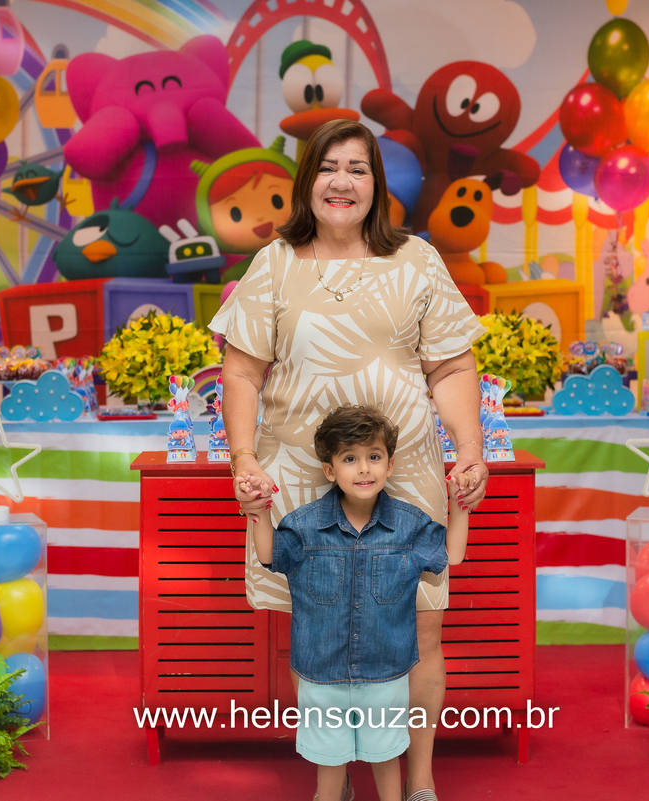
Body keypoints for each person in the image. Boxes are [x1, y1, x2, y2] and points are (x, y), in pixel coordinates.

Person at [209, 118, 489, 800]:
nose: (342, 182)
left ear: (376, 184)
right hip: (304, 477)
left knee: (420, 627)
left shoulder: (417, 259)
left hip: (405, 471)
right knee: (322, 630)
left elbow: (452, 364)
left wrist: (470, 450)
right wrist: (243, 459)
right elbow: (240, 371)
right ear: (308, 182)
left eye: (358, 169)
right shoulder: (275, 262)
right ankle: (332, 782)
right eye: (329, 167)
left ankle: (417, 782)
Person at [241, 406, 471, 801]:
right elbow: (269, 556)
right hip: (321, 672)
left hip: (387, 671)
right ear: (329, 470)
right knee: (329, 762)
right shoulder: (305, 525)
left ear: (390, 464)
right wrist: (258, 512)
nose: (364, 469)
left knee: (386, 755)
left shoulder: (410, 524)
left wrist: (459, 503)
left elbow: (452, 555)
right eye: (350, 459)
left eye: (374, 456)